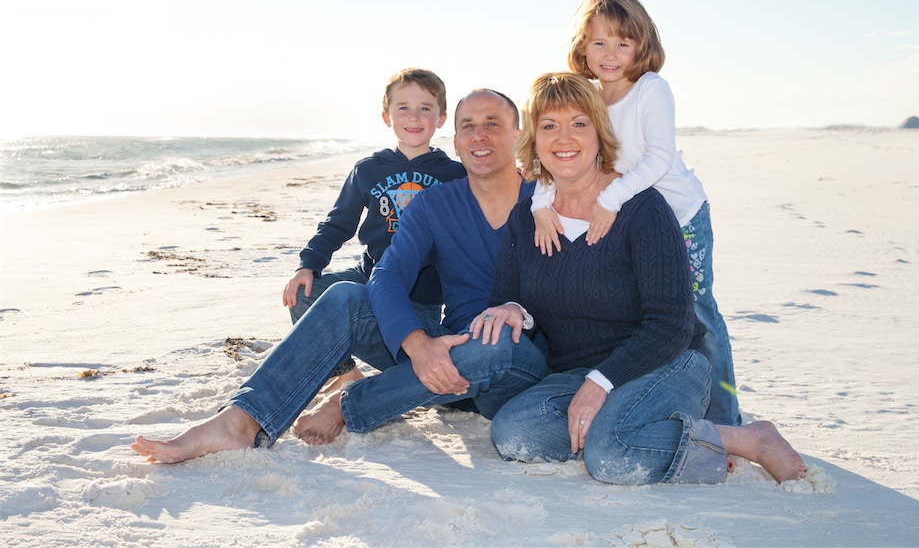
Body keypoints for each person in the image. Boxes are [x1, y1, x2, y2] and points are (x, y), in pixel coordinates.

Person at [131, 89, 548, 463]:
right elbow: (386, 277)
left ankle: (349, 404)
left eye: (492, 124)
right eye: (467, 127)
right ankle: (239, 421)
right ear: (454, 141)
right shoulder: (433, 204)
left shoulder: (547, 200)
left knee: (494, 343)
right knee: (347, 295)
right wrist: (418, 345)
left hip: (515, 364)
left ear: (517, 133)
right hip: (442, 368)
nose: (479, 136)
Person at [479, 72, 806, 485]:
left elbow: (671, 323)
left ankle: (746, 438)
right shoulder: (528, 218)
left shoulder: (643, 208)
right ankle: (654, 437)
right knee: (514, 433)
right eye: (550, 126)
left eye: (579, 124)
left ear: (599, 133)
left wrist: (601, 382)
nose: (564, 139)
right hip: (578, 372)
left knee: (610, 456)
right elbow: (508, 298)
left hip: (665, 363)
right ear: (534, 140)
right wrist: (511, 310)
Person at [530, 0, 741, 426]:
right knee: (648, 313)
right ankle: (665, 399)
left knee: (699, 314)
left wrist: (609, 200)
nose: (610, 53)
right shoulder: (587, 93)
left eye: (622, 43)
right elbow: (558, 152)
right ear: (582, 46)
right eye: (599, 42)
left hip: (679, 217)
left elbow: (659, 159)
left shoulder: (650, 88)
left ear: (640, 47)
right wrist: (540, 203)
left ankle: (725, 418)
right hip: (634, 223)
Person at [282, 68, 466, 388]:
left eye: (425, 107)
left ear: (441, 118)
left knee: (418, 367)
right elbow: (338, 224)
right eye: (403, 108)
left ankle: (394, 373)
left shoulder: (455, 175)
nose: (413, 116)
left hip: (419, 297)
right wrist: (309, 265)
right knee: (302, 293)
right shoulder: (368, 170)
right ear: (386, 117)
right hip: (368, 278)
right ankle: (345, 375)